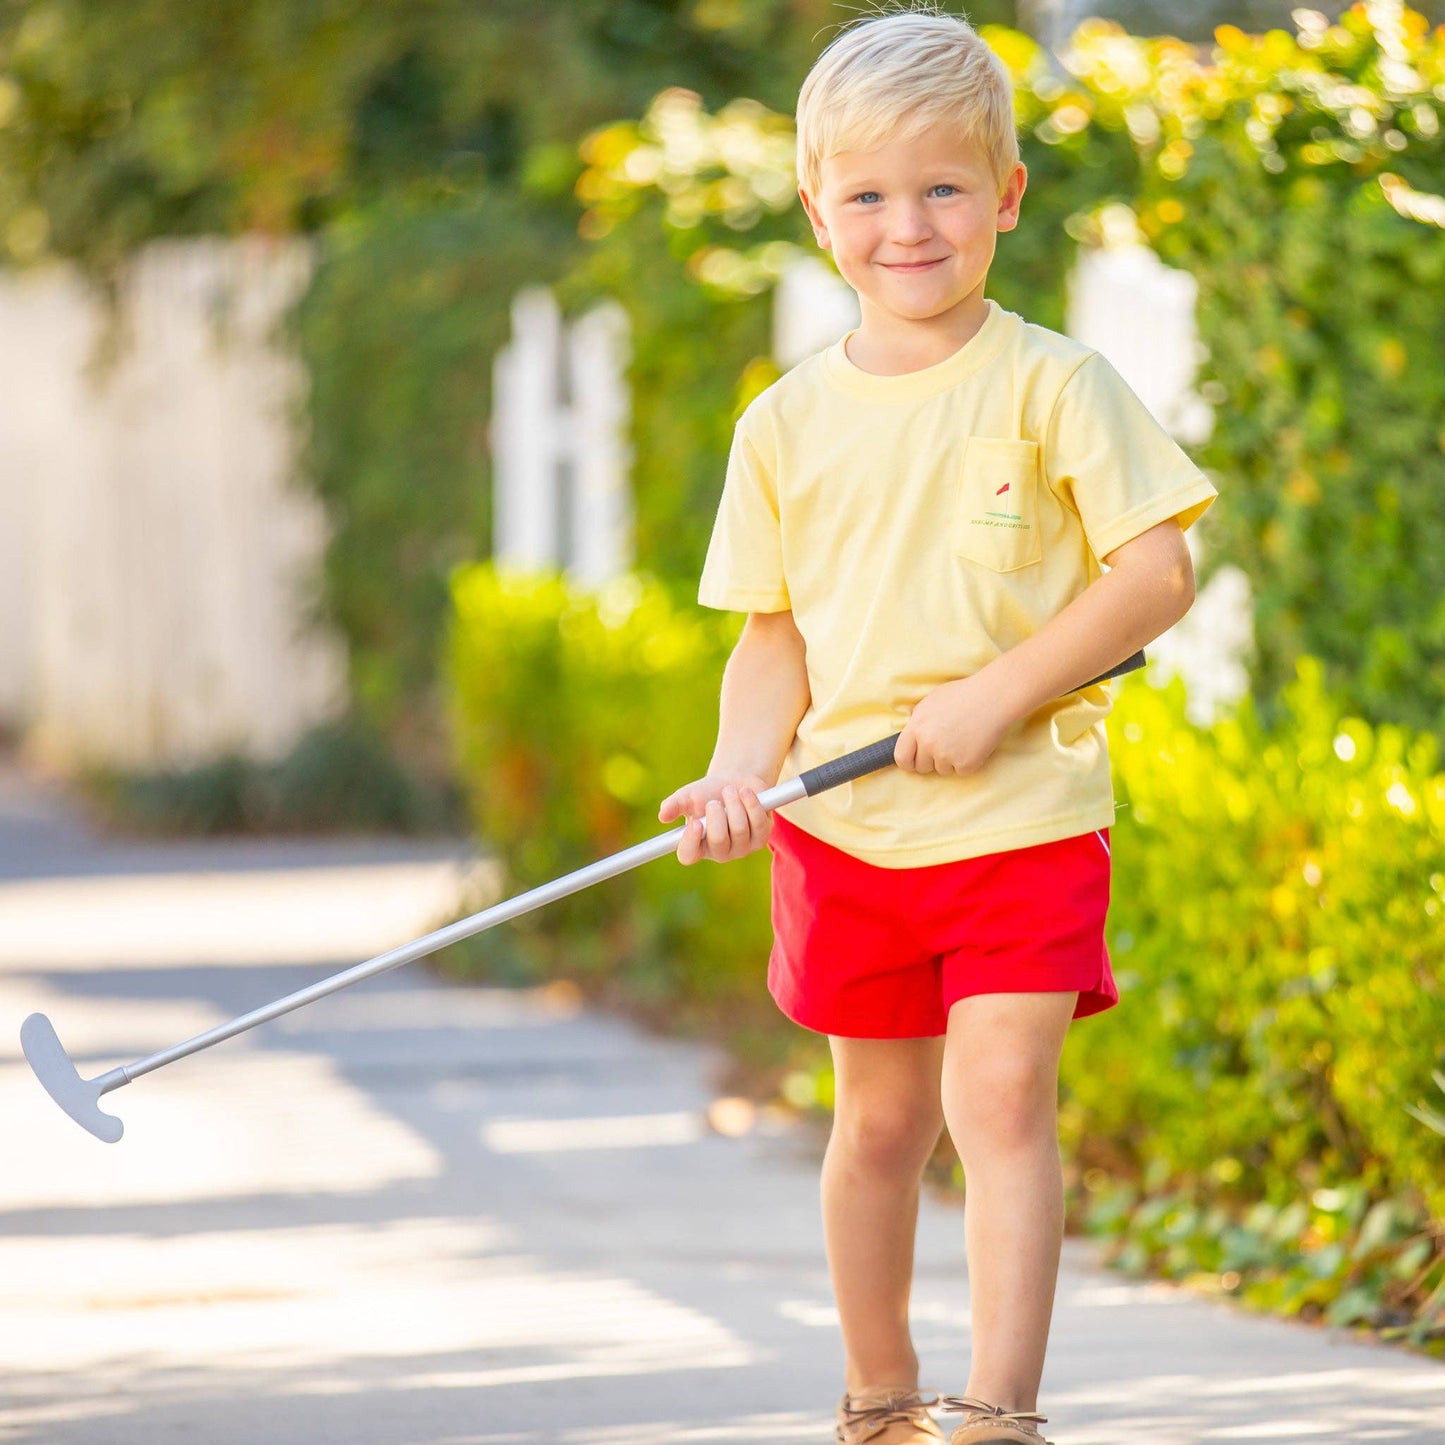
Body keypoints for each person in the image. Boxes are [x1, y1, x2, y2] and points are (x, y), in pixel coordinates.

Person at [657, 6, 1217, 1442]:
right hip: (845, 836)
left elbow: (1156, 570)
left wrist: (995, 693)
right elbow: (768, 640)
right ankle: (876, 1397)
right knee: (882, 1127)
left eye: (943, 188)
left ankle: (998, 1411)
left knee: (999, 1102)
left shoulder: (1052, 384)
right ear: (813, 207)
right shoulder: (781, 424)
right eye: (866, 195)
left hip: (1021, 826)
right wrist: (736, 773)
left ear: (1006, 197)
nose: (905, 226)